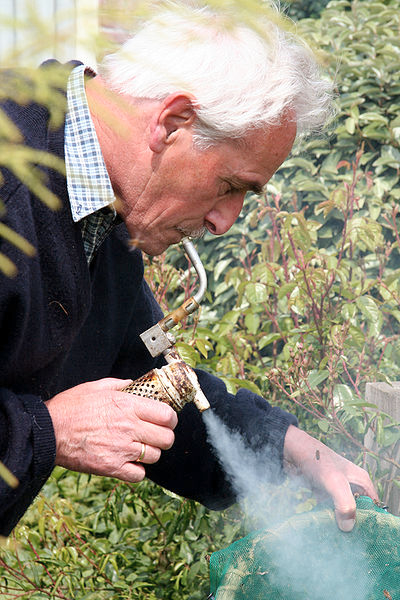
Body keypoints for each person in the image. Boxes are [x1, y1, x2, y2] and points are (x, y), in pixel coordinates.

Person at [0, 1, 377, 537]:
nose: (226, 222)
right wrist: (49, 432)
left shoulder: (108, 209)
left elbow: (152, 379)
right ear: (173, 122)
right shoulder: (10, 181)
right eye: (231, 186)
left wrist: (289, 448)